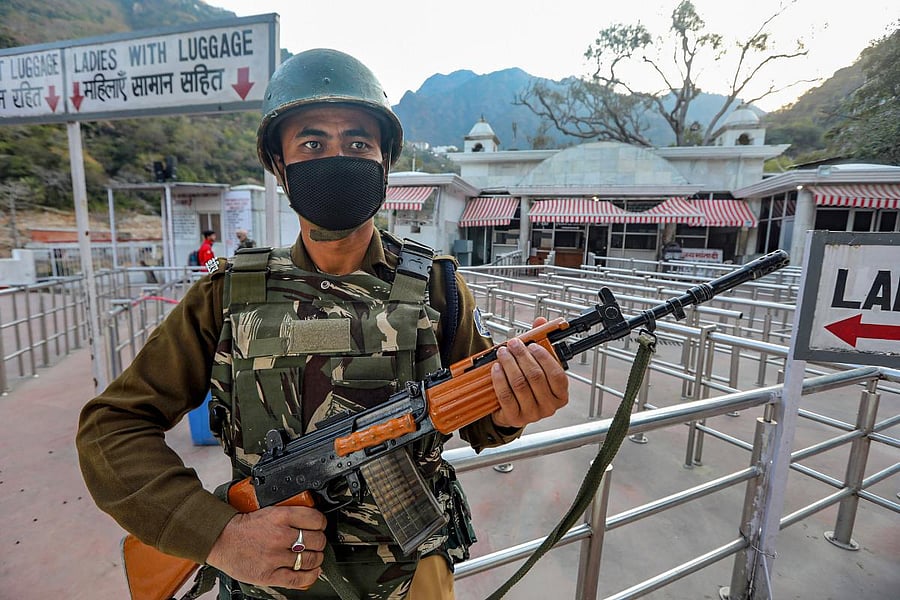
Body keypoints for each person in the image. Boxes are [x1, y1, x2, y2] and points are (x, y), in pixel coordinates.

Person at [76, 48, 569, 600]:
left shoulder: (436, 287)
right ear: (280, 166)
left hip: (411, 579)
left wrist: (515, 403)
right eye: (313, 143)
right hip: (266, 584)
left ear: (384, 162)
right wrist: (219, 535)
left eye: (358, 143)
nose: (338, 156)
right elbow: (110, 427)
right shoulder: (227, 294)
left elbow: (483, 420)